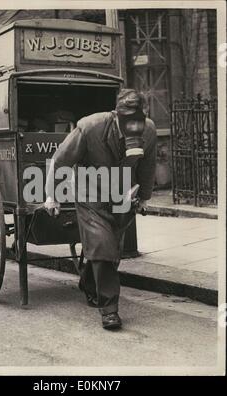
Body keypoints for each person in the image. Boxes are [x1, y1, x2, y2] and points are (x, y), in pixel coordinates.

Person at [44, 89, 157, 330]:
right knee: (102, 243)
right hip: (89, 192)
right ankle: (109, 310)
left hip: (122, 193)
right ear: (116, 115)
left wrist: (145, 197)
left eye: (138, 121)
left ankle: (88, 282)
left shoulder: (148, 129)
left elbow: (147, 166)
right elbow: (60, 160)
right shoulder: (89, 127)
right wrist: (52, 195)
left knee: (112, 250)